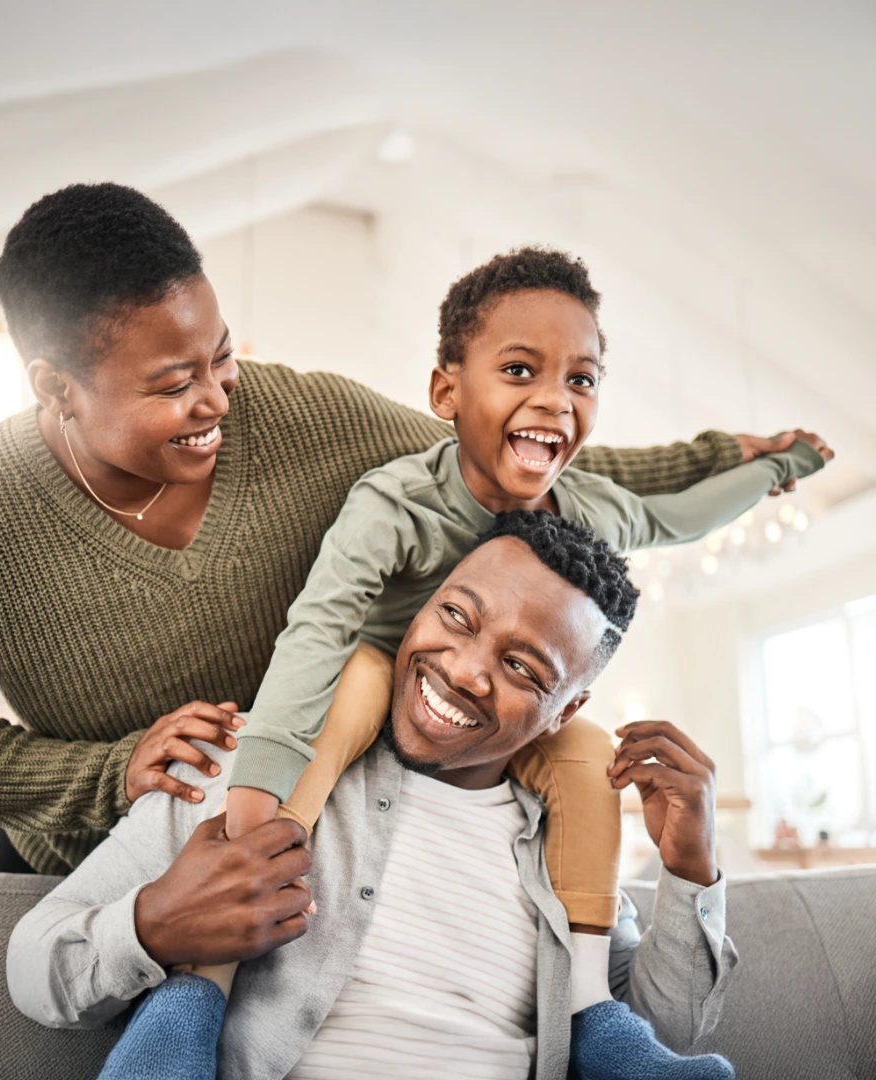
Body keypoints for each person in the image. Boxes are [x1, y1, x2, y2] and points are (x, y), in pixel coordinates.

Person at [0, 184, 770, 878]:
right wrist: (108, 774)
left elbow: (513, 454)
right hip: (82, 875)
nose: (216, 399)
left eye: (220, 356)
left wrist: (725, 457)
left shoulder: (309, 418)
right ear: (56, 388)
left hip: (289, 851)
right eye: (174, 385)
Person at [156, 248, 827, 1053]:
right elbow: (319, 628)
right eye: (519, 369)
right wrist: (251, 808)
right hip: (385, 688)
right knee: (361, 673)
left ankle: (594, 1018)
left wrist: (778, 466)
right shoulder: (397, 502)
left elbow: (681, 516)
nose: (554, 398)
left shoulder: (586, 509)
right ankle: (208, 982)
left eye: (582, 379)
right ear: (446, 391)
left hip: (492, 735)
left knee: (584, 749)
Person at [6, 511, 739, 1080]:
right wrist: (154, 925)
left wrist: (690, 865)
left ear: (565, 714)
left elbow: (656, 1035)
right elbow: (36, 968)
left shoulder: (565, 842)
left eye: (522, 666)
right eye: (457, 616)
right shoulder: (259, 769)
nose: (465, 670)